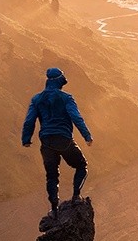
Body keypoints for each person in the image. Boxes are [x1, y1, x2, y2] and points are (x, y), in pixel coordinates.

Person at [22, 66, 92, 212]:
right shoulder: (66, 98)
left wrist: (26, 139)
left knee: (52, 176)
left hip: (46, 142)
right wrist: (87, 136)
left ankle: (54, 208)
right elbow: (76, 117)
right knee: (81, 165)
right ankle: (76, 196)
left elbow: (29, 120)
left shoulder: (37, 99)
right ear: (60, 79)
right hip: (64, 140)